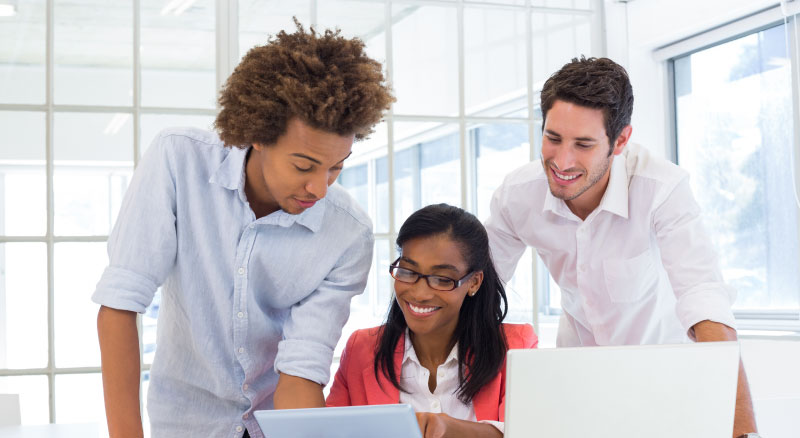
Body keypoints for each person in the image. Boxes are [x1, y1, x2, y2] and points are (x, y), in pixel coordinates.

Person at [93, 22, 394, 438]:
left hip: (274, 425)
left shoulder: (348, 234)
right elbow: (120, 305)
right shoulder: (179, 160)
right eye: (304, 166)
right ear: (259, 134)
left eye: (336, 168)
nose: (320, 188)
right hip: (184, 424)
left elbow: (303, 366)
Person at [484, 56, 758, 438]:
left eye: (583, 144)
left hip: (664, 382)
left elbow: (703, 294)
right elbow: (477, 286)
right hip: (576, 381)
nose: (562, 160)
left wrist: (744, 431)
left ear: (621, 141)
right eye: (553, 138)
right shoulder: (518, 195)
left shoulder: (662, 188)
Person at [327, 204, 538, 438]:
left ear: (474, 282)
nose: (420, 293)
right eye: (408, 272)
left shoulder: (516, 347)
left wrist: (451, 429)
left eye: (441, 279)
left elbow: (533, 431)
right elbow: (330, 432)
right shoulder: (361, 348)